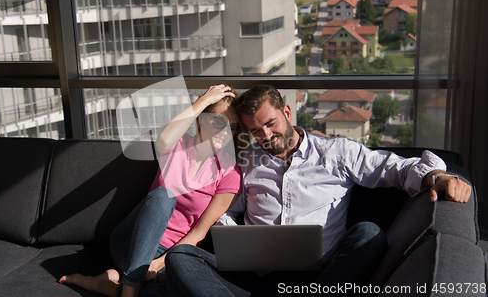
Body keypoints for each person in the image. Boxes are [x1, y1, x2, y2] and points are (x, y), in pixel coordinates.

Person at [162, 84, 472, 296]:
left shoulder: (335, 152)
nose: (266, 135)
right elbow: (228, 210)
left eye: (270, 123)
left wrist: (436, 176)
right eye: (255, 130)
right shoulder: (247, 162)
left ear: (286, 112)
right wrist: (233, 235)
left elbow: (394, 168)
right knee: (181, 258)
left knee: (369, 234)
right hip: (256, 277)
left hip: (321, 277)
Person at [59, 84, 243, 297]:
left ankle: (108, 285)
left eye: (233, 127)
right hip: (130, 242)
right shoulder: (178, 145)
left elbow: (199, 233)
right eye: (219, 122)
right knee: (164, 196)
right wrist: (203, 100)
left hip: (169, 255)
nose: (226, 132)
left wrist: (157, 264)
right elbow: (164, 139)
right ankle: (129, 290)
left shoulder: (230, 173)